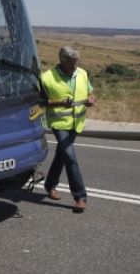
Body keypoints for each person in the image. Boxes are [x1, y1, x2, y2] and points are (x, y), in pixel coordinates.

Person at [42, 46, 96, 213]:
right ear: (63, 61)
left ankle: (50, 185)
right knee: (70, 158)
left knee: (62, 155)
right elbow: (42, 102)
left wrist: (91, 99)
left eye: (77, 62)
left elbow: (91, 93)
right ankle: (80, 197)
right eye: (73, 63)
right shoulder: (47, 78)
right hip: (59, 124)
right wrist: (60, 103)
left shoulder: (82, 73)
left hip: (76, 122)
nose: (76, 66)